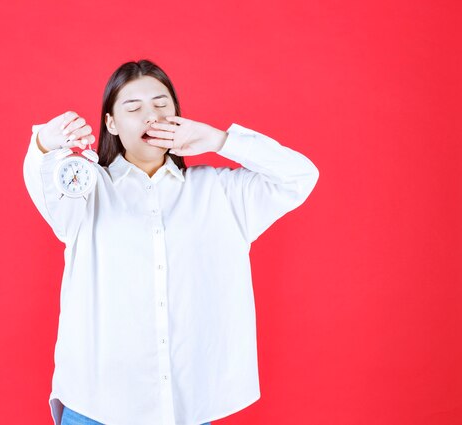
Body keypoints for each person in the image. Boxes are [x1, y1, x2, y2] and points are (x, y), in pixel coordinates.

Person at [23, 59, 319, 425]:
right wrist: (42, 144)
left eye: (162, 104)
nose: (151, 115)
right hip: (96, 407)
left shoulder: (219, 192)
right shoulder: (85, 189)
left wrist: (217, 139)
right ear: (111, 123)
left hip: (185, 409)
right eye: (134, 107)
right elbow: (42, 180)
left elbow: (300, 176)